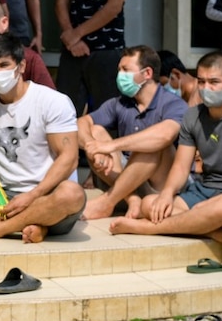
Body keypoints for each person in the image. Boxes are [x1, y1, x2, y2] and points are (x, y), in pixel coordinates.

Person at [109, 52, 222, 266]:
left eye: (214, 82)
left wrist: (214, 204)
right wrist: (166, 194)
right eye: (201, 81)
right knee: (149, 205)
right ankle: (220, 234)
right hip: (203, 191)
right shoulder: (193, 116)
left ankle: (147, 228)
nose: (206, 88)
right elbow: (182, 167)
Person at [0, 32, 85, 243]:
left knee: (72, 194)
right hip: (4, 198)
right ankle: (35, 225)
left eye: (3, 65)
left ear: (21, 66)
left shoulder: (52, 101)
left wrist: (33, 196)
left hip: (47, 193)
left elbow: (69, 158)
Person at [77, 45, 188, 219]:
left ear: (147, 74)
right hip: (122, 179)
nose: (120, 75)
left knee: (155, 144)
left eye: (126, 70)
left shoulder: (174, 104)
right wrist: (95, 149)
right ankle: (132, 199)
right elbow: (82, 123)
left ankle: (107, 202)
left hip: (159, 186)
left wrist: (109, 146)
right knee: (96, 131)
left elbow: (164, 135)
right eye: (119, 70)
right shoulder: (119, 103)